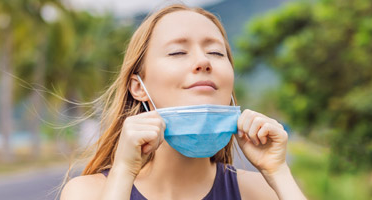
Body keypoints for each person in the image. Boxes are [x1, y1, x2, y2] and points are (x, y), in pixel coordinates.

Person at [60, 4, 306, 200]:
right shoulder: (86, 193)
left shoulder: (258, 192)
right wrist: (123, 174)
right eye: (178, 52)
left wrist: (278, 172)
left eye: (216, 53)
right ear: (138, 87)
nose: (204, 61)